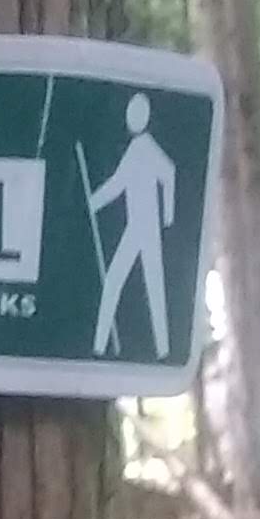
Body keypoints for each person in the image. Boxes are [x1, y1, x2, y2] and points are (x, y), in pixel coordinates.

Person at [85, 90, 176, 360]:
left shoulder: (144, 147)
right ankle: (101, 345)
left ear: (143, 117)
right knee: (119, 280)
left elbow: (168, 172)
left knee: (150, 285)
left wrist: (168, 216)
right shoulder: (135, 149)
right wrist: (94, 203)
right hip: (136, 227)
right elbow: (118, 183)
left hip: (146, 227)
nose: (130, 118)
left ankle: (162, 349)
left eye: (134, 114)